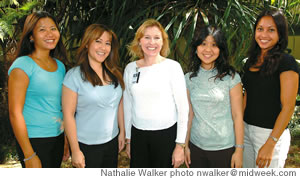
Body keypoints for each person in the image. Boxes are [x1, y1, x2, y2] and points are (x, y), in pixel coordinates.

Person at [123, 19, 189, 168]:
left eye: (156, 37)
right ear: (139, 41)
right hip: (138, 136)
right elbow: (128, 105)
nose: (151, 42)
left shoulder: (173, 67)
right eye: (146, 37)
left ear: (163, 42)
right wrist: (129, 139)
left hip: (166, 136)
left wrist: (180, 145)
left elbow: (183, 108)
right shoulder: (130, 69)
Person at [8, 11, 68, 168]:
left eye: (53, 28)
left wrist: (66, 139)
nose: (50, 33)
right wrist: (29, 155)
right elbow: (15, 113)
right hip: (34, 140)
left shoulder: (60, 66)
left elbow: (60, 107)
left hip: (57, 137)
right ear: (31, 36)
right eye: (42, 29)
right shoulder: (23, 65)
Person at [62, 24, 125, 168]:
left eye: (107, 43)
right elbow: (68, 115)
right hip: (86, 146)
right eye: (98, 41)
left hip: (111, 141)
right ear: (86, 44)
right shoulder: (74, 76)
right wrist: (76, 150)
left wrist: (122, 132)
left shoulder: (114, 73)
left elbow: (119, 104)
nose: (103, 47)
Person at [242, 9, 299, 168]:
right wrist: (238, 128)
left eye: (271, 30)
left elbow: (288, 107)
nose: (264, 34)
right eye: (260, 29)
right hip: (246, 130)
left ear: (280, 33)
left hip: (270, 134)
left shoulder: (287, 62)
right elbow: (247, 95)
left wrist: (270, 143)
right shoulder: (250, 61)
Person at [184, 26, 244, 168]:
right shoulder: (188, 78)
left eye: (214, 45)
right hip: (196, 147)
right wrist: (184, 145)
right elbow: (189, 115)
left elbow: (237, 116)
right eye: (203, 44)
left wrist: (239, 150)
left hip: (224, 149)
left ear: (221, 49)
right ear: (196, 47)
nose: (208, 50)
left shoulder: (231, 77)